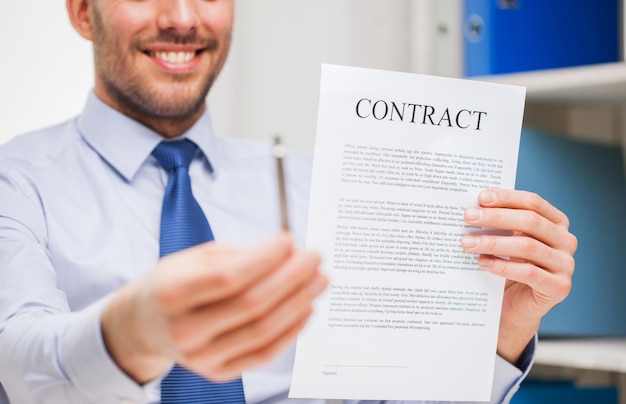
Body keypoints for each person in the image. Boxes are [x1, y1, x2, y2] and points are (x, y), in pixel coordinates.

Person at [0, 0, 577, 403]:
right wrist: (133, 330)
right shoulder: (16, 184)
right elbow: (18, 366)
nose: (181, 17)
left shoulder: (315, 187)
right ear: (82, 12)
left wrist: (493, 339)